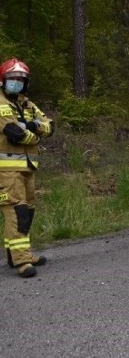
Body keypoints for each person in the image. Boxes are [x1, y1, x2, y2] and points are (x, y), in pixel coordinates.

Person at [0, 58, 54, 277]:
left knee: (28, 211)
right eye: (13, 79)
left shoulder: (26, 104)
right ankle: (22, 261)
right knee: (16, 212)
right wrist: (35, 135)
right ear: (3, 80)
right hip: (6, 171)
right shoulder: (1, 104)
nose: (17, 82)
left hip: (28, 167)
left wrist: (33, 126)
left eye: (21, 79)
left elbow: (50, 126)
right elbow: (15, 133)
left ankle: (16, 254)